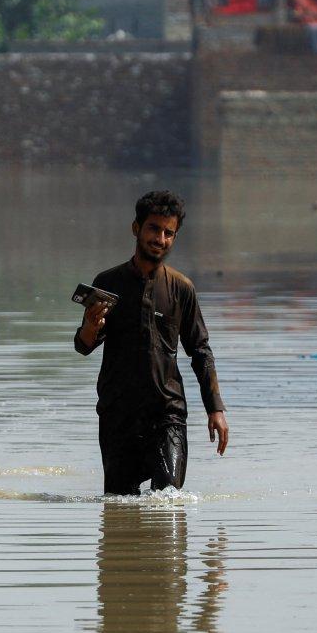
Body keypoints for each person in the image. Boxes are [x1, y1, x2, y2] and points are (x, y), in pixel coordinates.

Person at [75, 190, 229, 496]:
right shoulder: (108, 283)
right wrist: (91, 326)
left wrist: (216, 409)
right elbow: (84, 345)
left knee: (168, 501)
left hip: (167, 414)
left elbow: (200, 350)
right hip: (118, 415)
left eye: (168, 233)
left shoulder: (181, 288)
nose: (160, 239)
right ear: (136, 228)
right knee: (119, 508)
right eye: (154, 229)